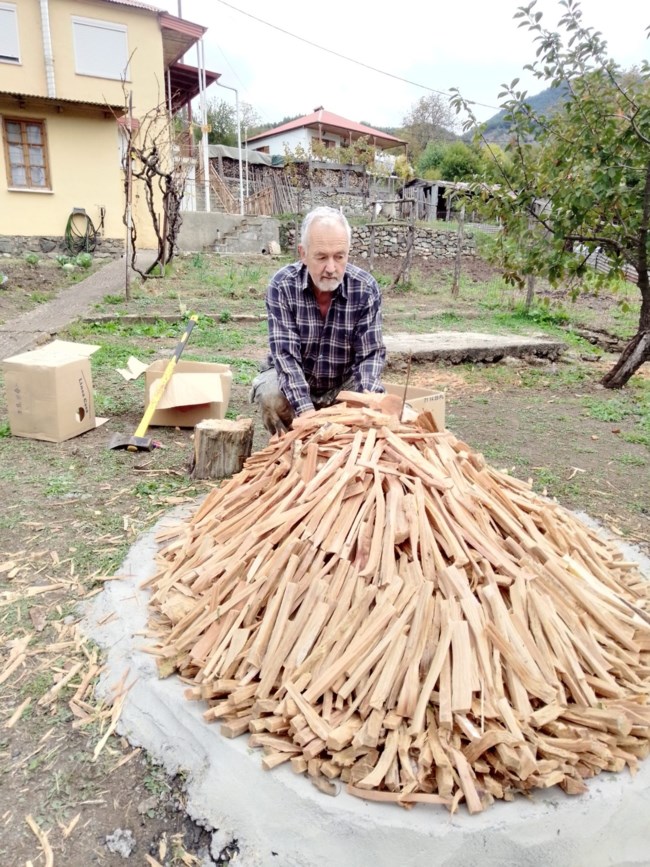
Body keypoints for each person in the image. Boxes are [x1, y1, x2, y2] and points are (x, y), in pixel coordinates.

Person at [250, 206, 386, 435]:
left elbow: (370, 357)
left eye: (339, 257)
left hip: (342, 383)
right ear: (303, 254)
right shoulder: (282, 286)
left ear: (348, 253)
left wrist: (366, 405)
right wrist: (307, 415)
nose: (331, 268)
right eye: (321, 257)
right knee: (271, 394)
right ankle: (292, 451)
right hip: (293, 383)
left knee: (384, 410)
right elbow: (286, 357)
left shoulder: (365, 288)